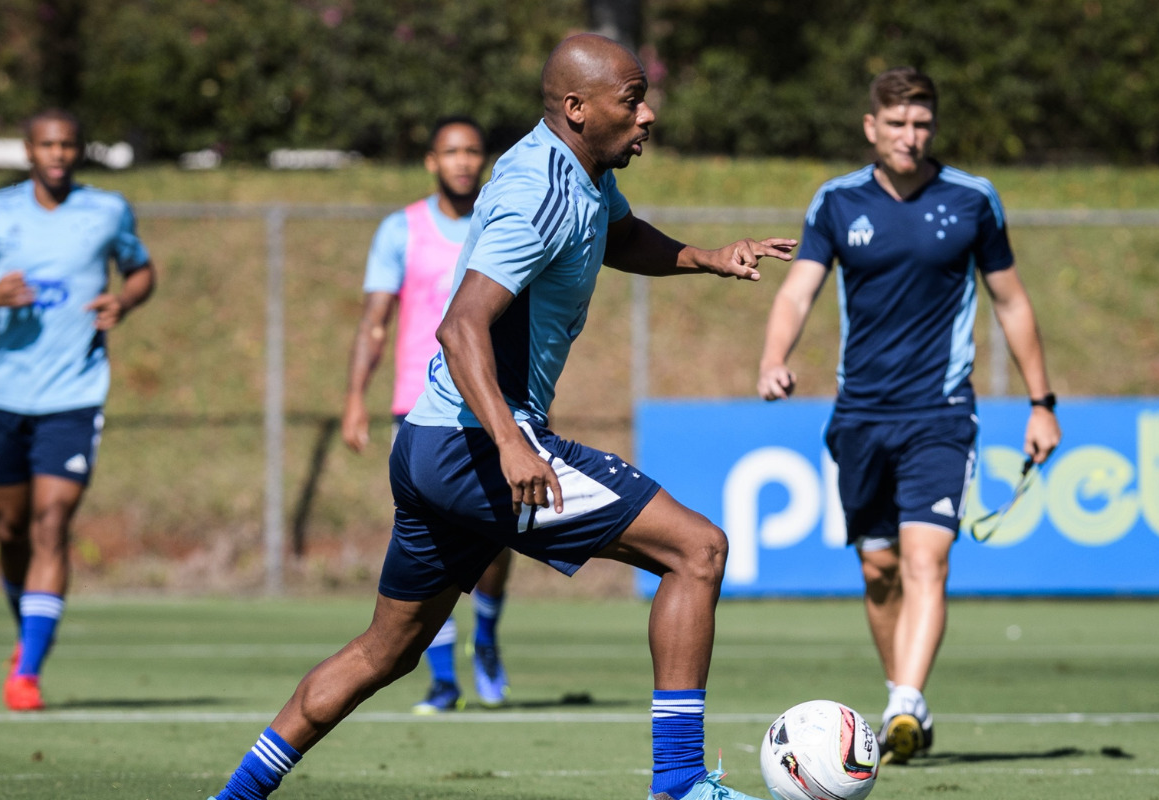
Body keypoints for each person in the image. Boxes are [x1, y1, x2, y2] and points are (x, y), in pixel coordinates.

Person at [208, 33, 796, 800]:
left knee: (386, 652)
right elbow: (460, 328)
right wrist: (514, 444)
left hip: (429, 442)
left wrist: (705, 257)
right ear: (578, 109)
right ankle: (681, 785)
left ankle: (236, 796)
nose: (648, 114)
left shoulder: (578, 171)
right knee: (698, 551)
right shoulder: (537, 192)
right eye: (632, 100)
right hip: (473, 447)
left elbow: (617, 234)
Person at [756, 66, 1061, 764]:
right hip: (859, 414)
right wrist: (774, 357)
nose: (909, 136)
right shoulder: (836, 202)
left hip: (941, 413)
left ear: (933, 127)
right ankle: (903, 694)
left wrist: (1042, 403)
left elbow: (1011, 302)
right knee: (879, 570)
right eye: (896, 124)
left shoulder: (973, 199)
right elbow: (799, 291)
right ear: (871, 127)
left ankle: (904, 703)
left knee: (929, 558)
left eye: (921, 123)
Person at [0, 108, 157, 712]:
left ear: (79, 151)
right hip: (4, 393)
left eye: (68, 144)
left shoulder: (106, 210)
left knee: (52, 524)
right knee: (9, 531)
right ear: (28, 151)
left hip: (74, 394)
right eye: (46, 144)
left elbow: (141, 271)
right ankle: (28, 627)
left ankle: (26, 672)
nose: (57, 153)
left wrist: (123, 302)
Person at [341, 114, 513, 713]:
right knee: (429, 545)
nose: (463, 161)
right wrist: (355, 397)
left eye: (473, 151)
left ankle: (486, 637)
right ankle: (443, 679)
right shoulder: (401, 230)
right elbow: (375, 321)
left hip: (495, 401)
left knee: (496, 542)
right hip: (419, 411)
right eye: (451, 151)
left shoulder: (503, 220)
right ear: (431, 161)